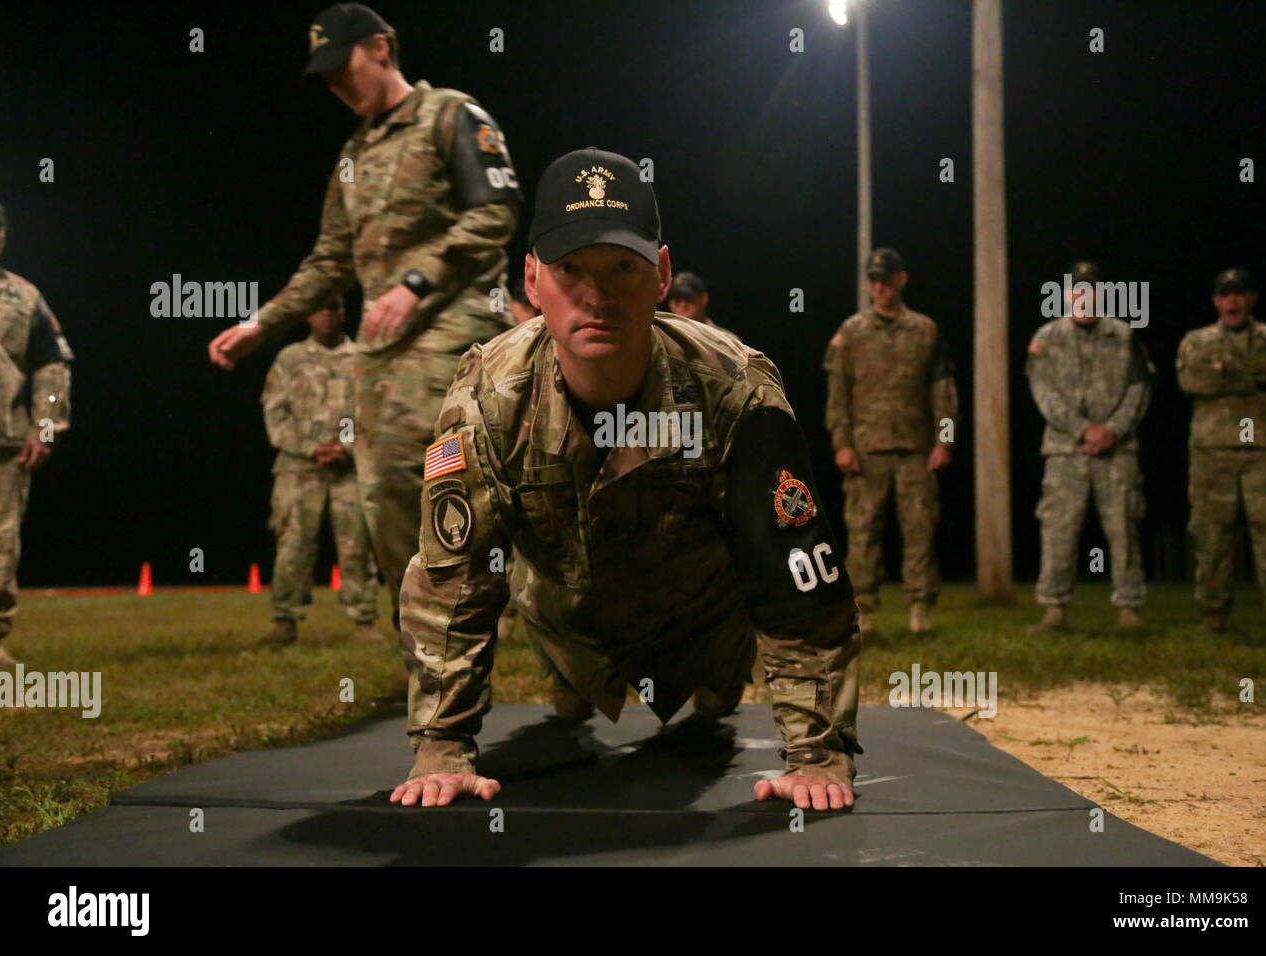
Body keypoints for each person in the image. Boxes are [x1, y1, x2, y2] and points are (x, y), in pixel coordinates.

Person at [390, 148, 862, 812]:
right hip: (562, 624)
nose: (597, 294)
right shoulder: (487, 400)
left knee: (708, 725)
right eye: (569, 270)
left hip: (706, 629)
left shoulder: (736, 392)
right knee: (566, 723)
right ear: (531, 280)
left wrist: (817, 753)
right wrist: (442, 746)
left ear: (662, 274)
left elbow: (796, 575)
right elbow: (452, 579)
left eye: (622, 268)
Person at [206, 3, 521, 624]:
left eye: (340, 66)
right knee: (382, 494)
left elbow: (496, 211)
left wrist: (414, 281)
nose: (335, 85)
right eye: (323, 75)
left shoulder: (451, 115)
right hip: (383, 348)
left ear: (380, 48)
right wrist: (261, 323)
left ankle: (508, 602)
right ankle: (436, 635)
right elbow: (329, 259)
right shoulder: (354, 153)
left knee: (442, 472)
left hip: (455, 324)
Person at [823, 249, 957, 635]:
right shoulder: (851, 333)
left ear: (902, 279)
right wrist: (841, 443)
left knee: (921, 529)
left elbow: (943, 391)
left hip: (916, 449)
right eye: (874, 280)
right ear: (869, 284)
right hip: (866, 450)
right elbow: (838, 394)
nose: (880, 286)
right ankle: (864, 612)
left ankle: (920, 609)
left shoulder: (925, 330)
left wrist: (944, 442)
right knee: (863, 532)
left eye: (887, 278)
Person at [1026, 261, 1153, 631]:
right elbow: (1042, 391)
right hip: (1065, 451)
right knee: (1058, 528)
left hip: (1118, 449)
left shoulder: (1126, 336)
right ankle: (1054, 609)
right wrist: (1083, 430)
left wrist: (1112, 429)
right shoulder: (1046, 338)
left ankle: (1129, 609)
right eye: (1077, 289)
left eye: (1092, 289)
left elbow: (1140, 387)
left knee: (1124, 527)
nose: (1084, 296)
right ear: (1066, 295)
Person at [1176, 268, 1266, 632]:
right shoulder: (1195, 341)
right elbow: (1191, 380)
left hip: (1263, 450)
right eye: (1226, 294)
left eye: (1240, 293)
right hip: (1213, 452)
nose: (1233, 300)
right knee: (1212, 535)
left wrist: (1228, 370)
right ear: (1216, 301)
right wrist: (1254, 376)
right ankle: (1212, 613)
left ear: (1251, 299)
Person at [259, 300, 382, 646]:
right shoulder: (290, 359)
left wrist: (346, 447)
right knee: (293, 544)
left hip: (351, 469)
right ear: (309, 314)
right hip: (299, 469)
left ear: (343, 313)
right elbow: (275, 414)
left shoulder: (362, 357)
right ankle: (285, 622)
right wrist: (311, 447)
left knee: (357, 545)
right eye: (320, 308)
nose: (326, 314)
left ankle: (364, 621)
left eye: (333, 308)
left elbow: (375, 412)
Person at [0, 201, 74, 670]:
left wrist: (45, 428)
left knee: (1, 543)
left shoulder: (24, 298)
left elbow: (52, 364)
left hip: (5, 440)